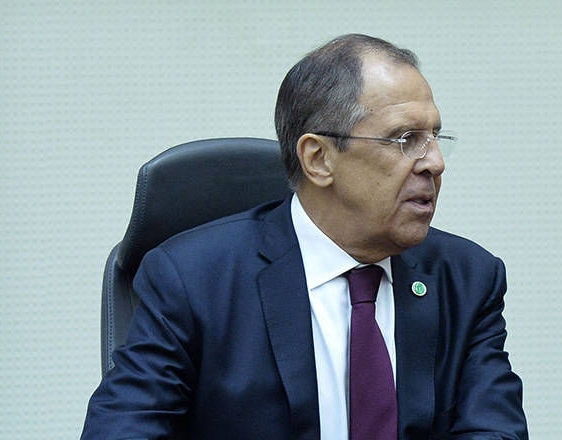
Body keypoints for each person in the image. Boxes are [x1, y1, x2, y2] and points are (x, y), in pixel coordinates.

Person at [83, 34, 528, 439]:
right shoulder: (192, 279)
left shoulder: (468, 279)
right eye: (405, 139)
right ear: (318, 159)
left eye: (434, 136)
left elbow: (494, 430)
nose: (434, 162)